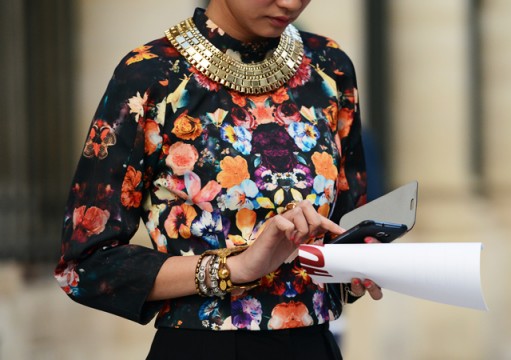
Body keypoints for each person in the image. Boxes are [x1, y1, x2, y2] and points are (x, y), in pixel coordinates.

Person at [54, 0, 383, 358]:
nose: (290, 2)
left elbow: (347, 225)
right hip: (203, 347)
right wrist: (234, 267)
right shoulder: (152, 76)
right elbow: (85, 265)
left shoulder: (329, 68)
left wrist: (362, 260)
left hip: (315, 345)